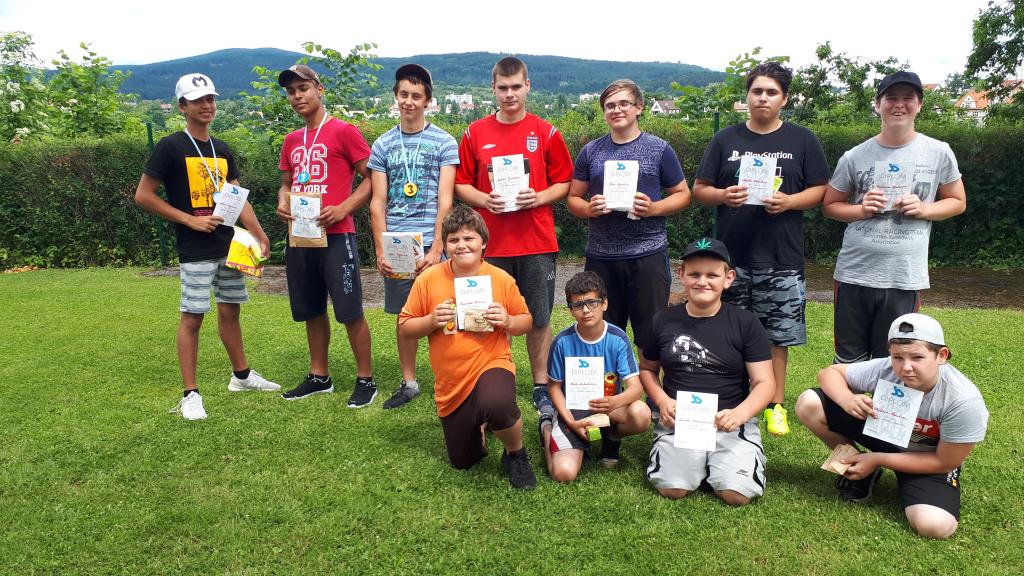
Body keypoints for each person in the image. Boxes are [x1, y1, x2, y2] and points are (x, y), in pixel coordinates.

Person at [692, 62, 831, 437]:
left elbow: (821, 190)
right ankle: (732, 399)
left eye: (771, 92)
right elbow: (699, 189)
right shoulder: (725, 140)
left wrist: (790, 201)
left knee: (776, 337)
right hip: (730, 259)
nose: (763, 98)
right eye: (757, 91)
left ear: (784, 98)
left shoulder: (802, 140)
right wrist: (724, 195)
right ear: (747, 96)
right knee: (726, 332)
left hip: (781, 257)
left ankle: (775, 406)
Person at [135, 73, 278, 420]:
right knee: (193, 317)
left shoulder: (222, 148)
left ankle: (241, 376)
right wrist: (189, 220)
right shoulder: (170, 146)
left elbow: (237, 198)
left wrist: (259, 234)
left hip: (229, 245)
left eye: (210, 99)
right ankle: (190, 394)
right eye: (198, 100)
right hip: (195, 248)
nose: (207, 105)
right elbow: (143, 196)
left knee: (231, 311)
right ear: (182, 107)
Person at [795, 313, 988, 539]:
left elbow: (944, 461)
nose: (906, 367)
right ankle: (860, 472)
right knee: (809, 403)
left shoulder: (963, 401)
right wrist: (847, 399)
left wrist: (876, 459)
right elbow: (829, 373)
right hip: (884, 433)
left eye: (917, 357)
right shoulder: (886, 367)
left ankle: (869, 465)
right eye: (898, 357)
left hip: (926, 457)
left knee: (934, 526)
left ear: (941, 355)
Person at [454, 56, 574, 419]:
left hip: (536, 241)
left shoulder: (546, 132)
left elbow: (565, 182)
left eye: (516, 87)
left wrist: (539, 196)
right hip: (490, 244)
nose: (510, 94)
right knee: (487, 316)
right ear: (493, 88)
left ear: (528, 86)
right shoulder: (475, 133)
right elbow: (461, 183)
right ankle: (493, 381)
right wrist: (483, 199)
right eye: (503, 88)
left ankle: (541, 385)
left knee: (538, 317)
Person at [823, 71, 966, 364]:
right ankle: (846, 397)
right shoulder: (854, 156)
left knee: (894, 359)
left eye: (907, 98)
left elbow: (958, 201)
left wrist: (924, 209)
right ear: (878, 104)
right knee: (849, 360)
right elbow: (830, 206)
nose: (899, 105)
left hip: (904, 275)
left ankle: (885, 398)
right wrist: (862, 209)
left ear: (919, 105)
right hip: (854, 273)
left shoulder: (939, 152)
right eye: (891, 98)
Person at [398, 205, 537, 489]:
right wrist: (431, 320)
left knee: (497, 402)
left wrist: (508, 320)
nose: (461, 245)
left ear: (483, 242)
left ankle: (516, 454)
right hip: (452, 382)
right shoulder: (429, 279)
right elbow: (405, 327)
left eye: (469, 238)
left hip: (491, 362)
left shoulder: (500, 278)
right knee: (463, 460)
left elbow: (526, 321)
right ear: (445, 245)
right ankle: (480, 424)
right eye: (454, 240)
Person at [640, 237, 775, 506]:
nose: (703, 281)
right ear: (682, 275)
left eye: (712, 275)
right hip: (682, 422)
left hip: (729, 421)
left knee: (736, 495)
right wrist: (663, 401)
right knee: (673, 488)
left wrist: (740, 414)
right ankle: (690, 462)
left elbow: (765, 383)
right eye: (695, 274)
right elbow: (647, 370)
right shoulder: (663, 320)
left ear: (728, 278)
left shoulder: (746, 323)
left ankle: (728, 460)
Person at [567, 79, 691, 359]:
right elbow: (573, 198)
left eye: (624, 103)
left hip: (647, 254)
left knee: (651, 331)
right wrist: (589, 208)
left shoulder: (659, 149)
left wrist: (654, 208)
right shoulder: (591, 151)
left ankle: (649, 385)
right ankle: (609, 384)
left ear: (639, 107)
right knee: (601, 330)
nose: (616, 110)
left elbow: (683, 195)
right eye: (610, 105)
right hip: (601, 255)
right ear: (604, 112)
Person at [275, 64, 376, 407]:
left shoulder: (344, 131)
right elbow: (286, 183)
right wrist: (282, 202)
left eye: (303, 88)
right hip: (301, 237)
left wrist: (344, 208)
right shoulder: (291, 140)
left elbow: (373, 178)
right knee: (311, 309)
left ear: (320, 89)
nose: (297, 96)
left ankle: (366, 379)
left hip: (337, 235)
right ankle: (320, 377)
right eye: (291, 91)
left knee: (349, 310)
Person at [369, 63, 458, 409]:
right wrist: (381, 250)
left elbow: (445, 200)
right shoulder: (383, 144)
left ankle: (449, 377)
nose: (409, 101)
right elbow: (378, 203)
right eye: (404, 94)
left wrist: (437, 248)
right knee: (404, 316)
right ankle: (409, 382)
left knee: (444, 312)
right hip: (398, 245)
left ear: (428, 101)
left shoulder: (444, 141)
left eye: (416, 96)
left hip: (432, 243)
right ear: (396, 96)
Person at [541, 272, 651, 482]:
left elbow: (636, 388)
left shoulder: (617, 338)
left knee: (641, 413)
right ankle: (547, 428)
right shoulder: (562, 341)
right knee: (563, 474)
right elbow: (553, 387)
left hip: (608, 408)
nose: (585, 310)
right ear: (570, 310)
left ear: (604, 303)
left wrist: (614, 402)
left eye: (592, 302)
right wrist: (572, 422)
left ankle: (612, 437)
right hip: (573, 410)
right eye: (577, 305)